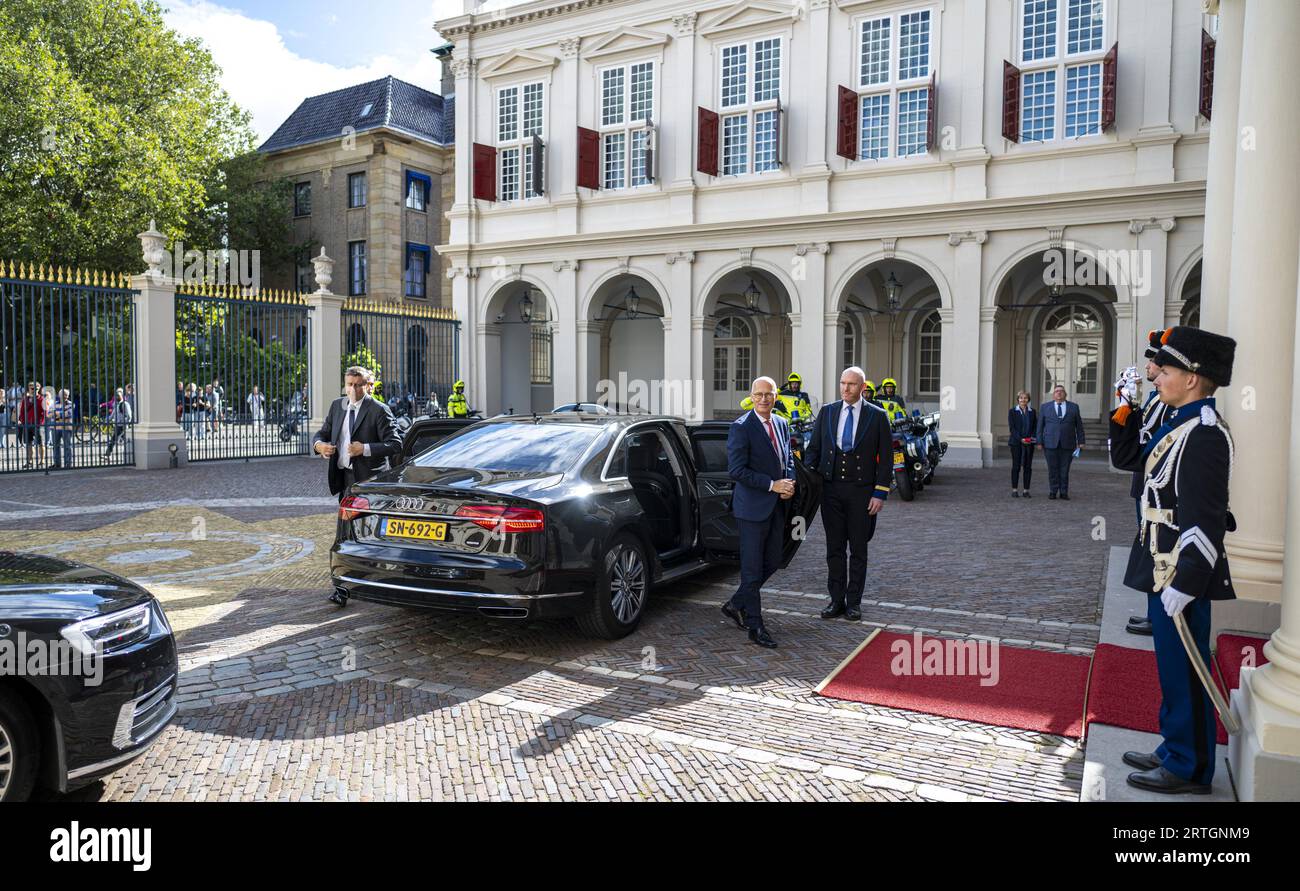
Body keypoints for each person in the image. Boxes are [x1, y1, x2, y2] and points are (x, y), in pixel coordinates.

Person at [1109, 326, 1236, 795]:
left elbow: (1205, 517)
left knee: (1186, 666)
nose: (1158, 374)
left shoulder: (1203, 433)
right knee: (1171, 664)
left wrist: (1188, 579)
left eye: (1169, 369)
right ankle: (1174, 745)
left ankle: (1190, 764)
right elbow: (1134, 462)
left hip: (1180, 568)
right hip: (1162, 560)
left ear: (1193, 377)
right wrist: (1124, 408)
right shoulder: (1179, 420)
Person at [803, 366, 893, 622]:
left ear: (862, 387)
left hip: (862, 493)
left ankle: (854, 603)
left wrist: (880, 493)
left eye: (851, 384)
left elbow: (886, 460)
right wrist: (811, 483)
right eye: (843, 383)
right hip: (831, 491)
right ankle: (836, 600)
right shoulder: (828, 411)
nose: (846, 388)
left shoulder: (877, 416)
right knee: (834, 548)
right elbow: (814, 450)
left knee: (858, 549)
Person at [313, 367, 402, 604]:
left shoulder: (379, 410)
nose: (353, 389)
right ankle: (342, 587)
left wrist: (365, 448)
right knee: (345, 535)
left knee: (373, 535)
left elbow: (395, 444)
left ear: (369, 385)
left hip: (369, 484)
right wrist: (319, 447)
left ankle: (385, 582)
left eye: (358, 384)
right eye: (349, 384)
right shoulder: (337, 406)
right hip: (345, 481)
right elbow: (321, 434)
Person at [720, 376, 794, 649]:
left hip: (776, 506)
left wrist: (789, 483)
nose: (764, 398)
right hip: (751, 509)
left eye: (769, 394)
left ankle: (736, 603)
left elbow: (787, 458)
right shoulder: (741, 427)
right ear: (751, 396)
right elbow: (736, 471)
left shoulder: (782, 423)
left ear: (776, 397)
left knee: (773, 561)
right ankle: (755, 625)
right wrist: (771, 485)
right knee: (751, 570)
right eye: (759, 394)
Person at [1109, 330, 1169, 636]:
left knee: (1155, 547)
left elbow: (1147, 442)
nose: (1148, 369)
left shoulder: (1165, 402)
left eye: (1153, 363)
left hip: (1154, 484)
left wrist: (1129, 410)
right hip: (1144, 482)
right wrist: (1127, 405)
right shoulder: (1156, 398)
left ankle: (1156, 613)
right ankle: (1152, 611)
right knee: (1149, 545)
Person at [1037, 384, 1085, 500]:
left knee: (1065, 469)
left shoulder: (1073, 407)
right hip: (1050, 443)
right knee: (1052, 469)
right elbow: (1040, 426)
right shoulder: (1045, 407)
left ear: (1065, 394)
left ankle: (1064, 492)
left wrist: (1081, 441)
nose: (1059, 393)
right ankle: (1053, 491)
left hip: (1068, 443)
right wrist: (1039, 441)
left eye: (1061, 391)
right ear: (1053, 395)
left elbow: (1079, 426)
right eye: (1057, 391)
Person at [1008, 390, 1037, 498]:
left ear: (1028, 400)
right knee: (1016, 466)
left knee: (1028, 467)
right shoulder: (1012, 412)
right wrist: (1021, 439)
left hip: (1029, 443)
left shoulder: (1032, 412)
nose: (1023, 400)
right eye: (1021, 398)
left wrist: (1031, 438)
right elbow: (1012, 428)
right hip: (1016, 443)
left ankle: (1026, 490)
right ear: (1018, 399)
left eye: (1025, 398)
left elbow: (1035, 426)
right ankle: (1014, 490)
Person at [16, 381, 45, 469]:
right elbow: (22, 411)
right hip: (27, 424)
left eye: (36, 388)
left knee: (40, 443)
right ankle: (29, 461)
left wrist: (41, 422)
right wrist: (21, 420)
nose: (34, 389)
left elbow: (44, 412)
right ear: (29, 389)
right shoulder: (25, 399)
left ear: (39, 388)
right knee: (29, 443)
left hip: (38, 424)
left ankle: (42, 460)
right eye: (32, 388)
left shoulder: (41, 399)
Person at [103, 388, 133, 460]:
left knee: (114, 440)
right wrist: (105, 420)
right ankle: (107, 454)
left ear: (122, 395)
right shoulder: (116, 405)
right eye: (116, 395)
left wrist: (123, 422)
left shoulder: (125, 404)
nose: (117, 396)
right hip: (118, 426)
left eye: (118, 395)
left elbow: (129, 416)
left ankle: (107, 454)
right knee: (117, 440)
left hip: (122, 426)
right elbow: (112, 415)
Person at [48, 389, 75, 469]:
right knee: (55, 446)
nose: (64, 396)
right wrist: (61, 414)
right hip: (55, 427)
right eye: (62, 394)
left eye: (66, 394)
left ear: (68, 396)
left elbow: (68, 414)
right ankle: (57, 464)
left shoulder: (70, 404)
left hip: (66, 427)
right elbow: (49, 414)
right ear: (59, 395)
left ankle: (68, 463)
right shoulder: (54, 404)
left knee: (67, 446)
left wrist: (57, 414)